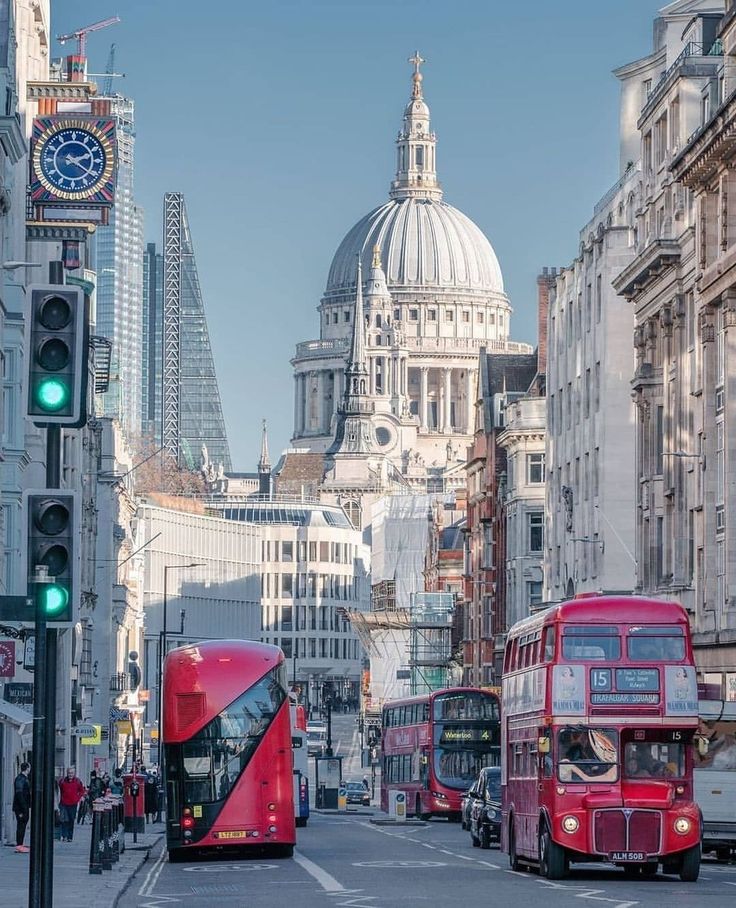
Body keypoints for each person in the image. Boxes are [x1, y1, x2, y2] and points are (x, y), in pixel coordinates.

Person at [58, 767, 85, 842]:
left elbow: (82, 791)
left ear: (74, 773)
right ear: (67, 773)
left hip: (73, 804)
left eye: (72, 773)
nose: (70, 774)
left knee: (71, 820)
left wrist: (78, 798)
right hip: (64, 804)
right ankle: (64, 836)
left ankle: (70, 837)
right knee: (64, 820)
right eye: (69, 773)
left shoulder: (78, 781)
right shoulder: (62, 781)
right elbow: (59, 790)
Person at [12, 762, 31, 853]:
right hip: (21, 807)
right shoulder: (20, 779)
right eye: (29, 767)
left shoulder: (22, 778)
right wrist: (24, 807)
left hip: (22, 806)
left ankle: (20, 844)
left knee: (22, 825)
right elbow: (19, 793)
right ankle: (19, 845)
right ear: (27, 768)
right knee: (21, 825)